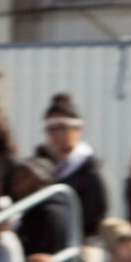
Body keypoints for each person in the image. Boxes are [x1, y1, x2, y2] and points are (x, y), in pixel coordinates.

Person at [37, 95, 108, 238]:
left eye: (62, 128)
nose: (57, 134)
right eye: (51, 129)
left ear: (78, 130)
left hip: (82, 240)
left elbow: (95, 215)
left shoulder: (91, 170)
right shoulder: (39, 166)